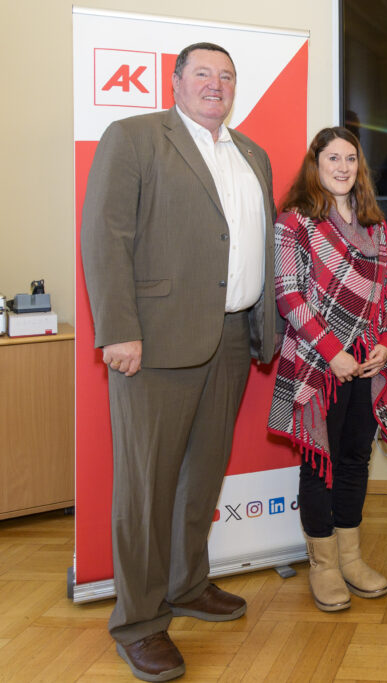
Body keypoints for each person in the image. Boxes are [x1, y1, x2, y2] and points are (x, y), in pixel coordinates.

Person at [81, 42, 276, 682]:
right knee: (147, 486)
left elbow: (255, 241)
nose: (216, 84)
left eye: (227, 76)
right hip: (155, 342)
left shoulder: (252, 154)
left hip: (231, 339)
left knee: (201, 475)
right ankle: (139, 622)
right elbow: (105, 236)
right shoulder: (135, 137)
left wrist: (263, 325)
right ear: (175, 81)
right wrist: (118, 330)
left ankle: (187, 584)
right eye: (203, 73)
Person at [268, 127, 387, 613]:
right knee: (319, 461)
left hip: (368, 364)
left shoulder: (376, 225)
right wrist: (331, 351)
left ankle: (350, 557)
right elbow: (288, 295)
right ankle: (323, 565)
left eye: (350, 159)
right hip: (317, 365)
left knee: (355, 459)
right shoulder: (295, 221)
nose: (343, 168)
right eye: (333, 159)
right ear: (316, 164)